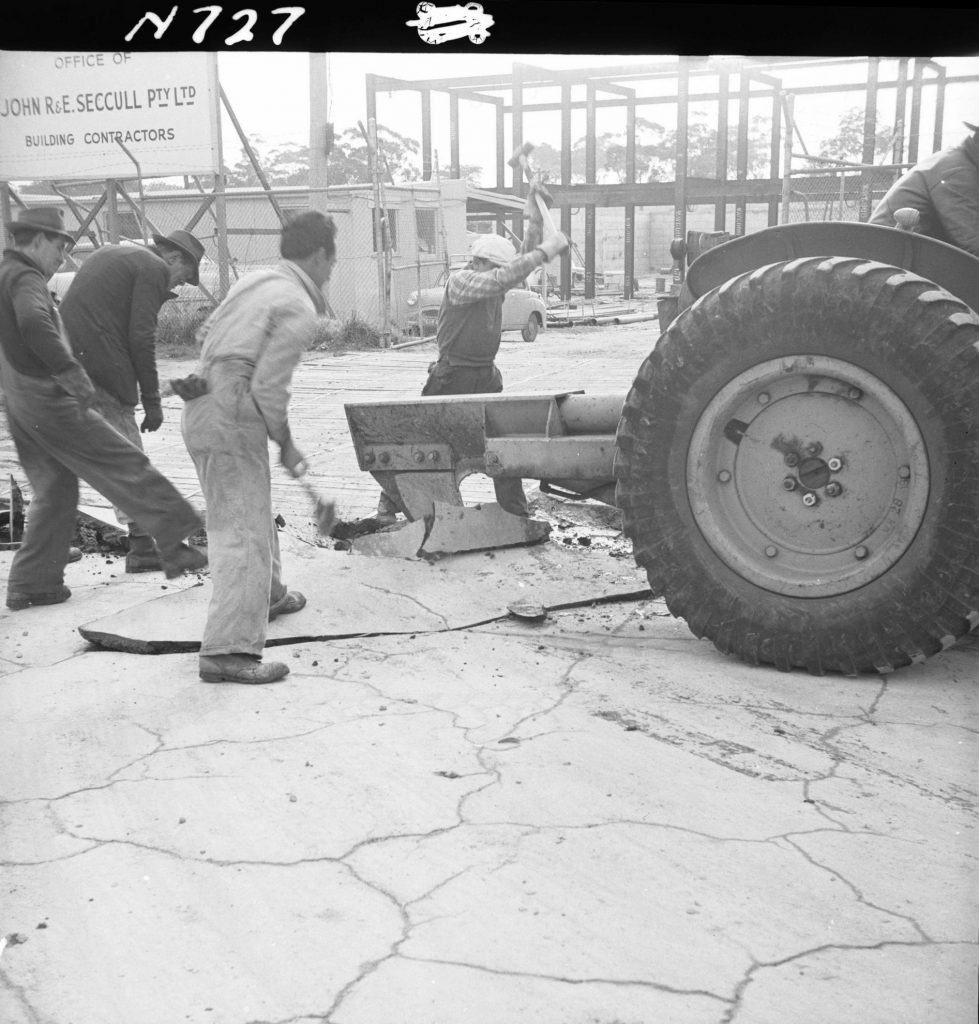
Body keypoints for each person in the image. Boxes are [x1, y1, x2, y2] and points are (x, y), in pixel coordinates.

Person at [0, 206, 207, 611]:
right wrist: (72, 372)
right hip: (52, 387)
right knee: (121, 460)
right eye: (59, 248)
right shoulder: (26, 276)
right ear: (38, 240)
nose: (62, 259)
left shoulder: (7, 271)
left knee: (55, 489)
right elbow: (38, 322)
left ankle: (33, 583)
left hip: (20, 394)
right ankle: (165, 545)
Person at [176, 210, 338, 685]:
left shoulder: (254, 282)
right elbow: (269, 388)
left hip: (205, 400)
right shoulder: (298, 305)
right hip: (231, 407)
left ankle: (267, 595)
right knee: (241, 528)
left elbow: (204, 334)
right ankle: (227, 651)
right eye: (331, 258)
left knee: (249, 506)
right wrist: (285, 441)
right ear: (319, 254)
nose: (331, 269)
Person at [376, 183, 569, 525]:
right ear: (478, 262)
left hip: (483, 375)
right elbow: (505, 275)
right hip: (451, 376)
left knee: (500, 444)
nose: (500, 276)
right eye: (494, 268)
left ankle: (516, 513)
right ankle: (388, 509)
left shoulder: (492, 277)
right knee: (419, 442)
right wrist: (543, 252)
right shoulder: (463, 281)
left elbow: (515, 263)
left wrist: (535, 217)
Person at [59, 229, 205, 573]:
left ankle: (47, 551)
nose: (182, 285)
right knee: (128, 455)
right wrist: (152, 400)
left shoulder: (119, 256)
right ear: (174, 258)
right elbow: (141, 337)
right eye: (186, 276)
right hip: (100, 367)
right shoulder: (152, 268)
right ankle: (144, 546)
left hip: (67, 364)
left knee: (68, 460)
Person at [868, 122, 979, 257]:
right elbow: (973, 243)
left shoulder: (961, 162)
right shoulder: (958, 172)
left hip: (909, 253)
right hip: (888, 257)